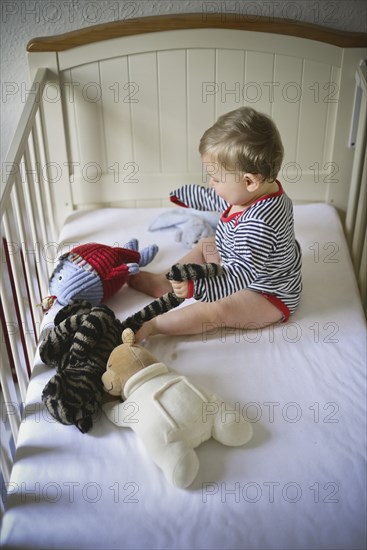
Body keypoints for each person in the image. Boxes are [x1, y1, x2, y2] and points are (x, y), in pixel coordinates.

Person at [129, 106, 302, 340]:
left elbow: (236, 276)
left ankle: (153, 326)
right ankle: (164, 282)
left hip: (266, 293)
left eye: (216, 178)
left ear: (249, 181)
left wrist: (198, 288)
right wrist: (189, 196)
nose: (211, 183)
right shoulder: (256, 191)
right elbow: (222, 200)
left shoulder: (259, 225)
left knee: (217, 308)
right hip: (239, 262)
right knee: (207, 244)